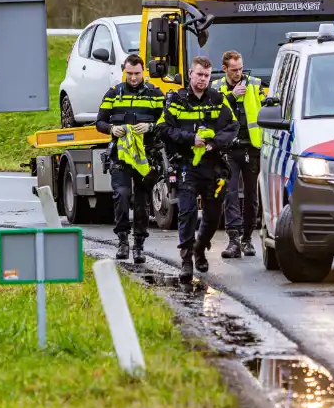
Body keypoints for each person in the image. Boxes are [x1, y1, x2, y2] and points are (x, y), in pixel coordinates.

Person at [155, 56, 238, 279]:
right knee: (187, 212)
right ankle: (186, 261)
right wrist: (190, 138)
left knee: (212, 216)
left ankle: (200, 248)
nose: (202, 79)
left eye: (206, 75)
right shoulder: (177, 100)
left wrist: (214, 143)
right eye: (199, 74)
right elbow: (162, 128)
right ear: (190, 74)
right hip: (186, 165)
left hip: (213, 167)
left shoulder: (218, 99)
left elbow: (233, 126)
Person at [95, 53, 165, 264]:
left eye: (136, 73)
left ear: (143, 72)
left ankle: (139, 246)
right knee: (122, 195)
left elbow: (168, 122)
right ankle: (123, 240)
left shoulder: (155, 94)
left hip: (146, 156)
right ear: (124, 72)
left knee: (142, 202)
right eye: (129, 73)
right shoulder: (114, 93)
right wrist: (112, 128)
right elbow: (99, 122)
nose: (133, 78)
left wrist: (151, 127)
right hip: (121, 155)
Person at [211, 50, 269, 259]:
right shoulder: (216, 87)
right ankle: (233, 240)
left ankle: (247, 239)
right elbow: (212, 111)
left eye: (240, 69)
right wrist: (231, 96)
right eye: (234, 70)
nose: (238, 73)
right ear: (225, 69)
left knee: (252, 195)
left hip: (251, 147)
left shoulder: (254, 84)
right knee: (231, 193)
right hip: (228, 149)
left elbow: (266, 109)